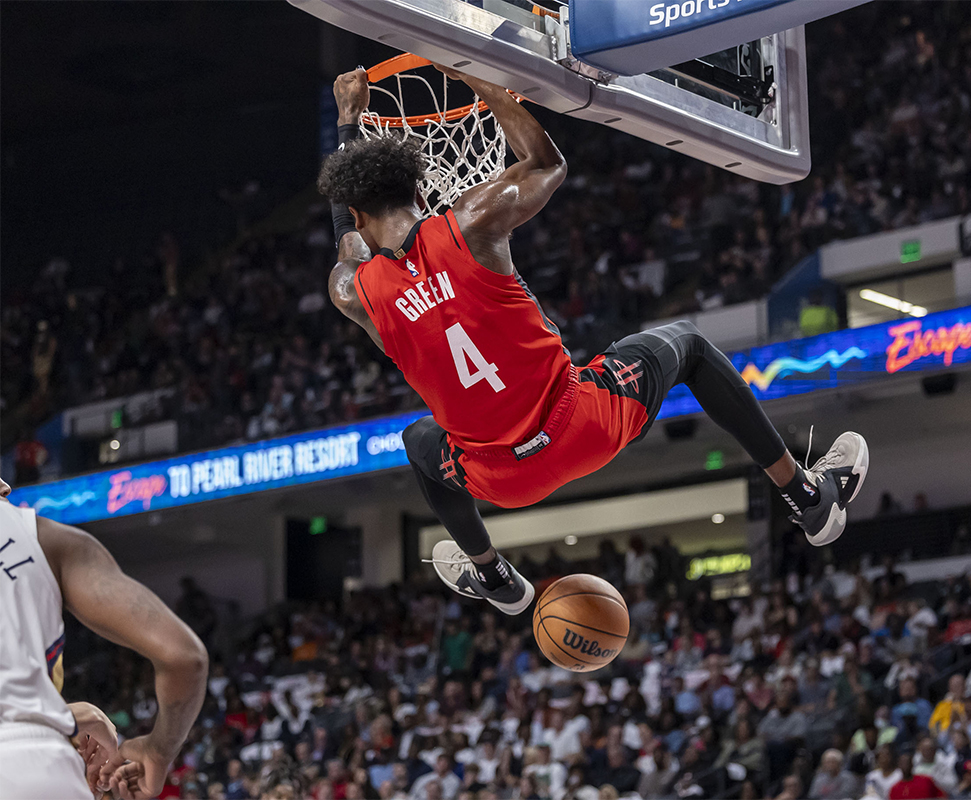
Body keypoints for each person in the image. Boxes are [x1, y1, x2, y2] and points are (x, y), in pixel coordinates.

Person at [318, 68, 870, 614]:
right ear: (419, 188)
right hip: (580, 424)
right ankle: (807, 498)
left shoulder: (354, 291)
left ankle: (493, 576)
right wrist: (477, 76)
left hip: (499, 477)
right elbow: (546, 164)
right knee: (690, 346)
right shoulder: (469, 221)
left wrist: (348, 120)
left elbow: (347, 236)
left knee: (419, 441)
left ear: (359, 215)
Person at [0, 477, 208, 799]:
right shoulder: (47, 539)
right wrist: (158, 750)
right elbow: (183, 657)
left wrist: (62, 717)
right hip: (39, 771)